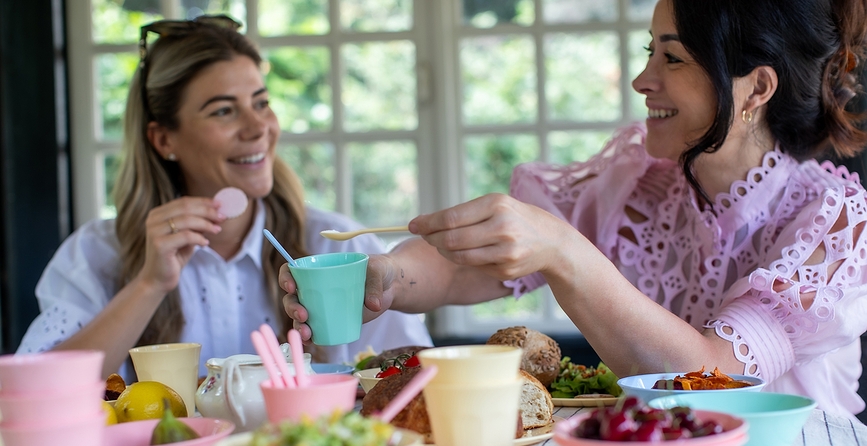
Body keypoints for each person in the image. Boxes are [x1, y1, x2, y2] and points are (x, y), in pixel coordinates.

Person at [283, 0, 867, 419]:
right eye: (649, 53)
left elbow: (712, 380)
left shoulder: (833, 222)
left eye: (674, 60)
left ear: (756, 89)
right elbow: (475, 265)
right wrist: (384, 276)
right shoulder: (632, 183)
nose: (643, 79)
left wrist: (563, 250)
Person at [17, 15, 431, 380]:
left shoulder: (337, 246)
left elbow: (415, 370)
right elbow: (31, 394)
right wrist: (148, 284)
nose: (258, 128)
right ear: (164, 138)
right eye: (223, 111)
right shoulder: (94, 254)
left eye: (261, 103)